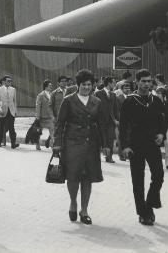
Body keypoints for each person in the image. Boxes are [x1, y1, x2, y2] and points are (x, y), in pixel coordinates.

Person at [53, 69, 106, 225]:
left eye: (89, 84)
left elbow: (102, 124)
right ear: (77, 85)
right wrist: (57, 144)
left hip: (91, 144)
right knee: (73, 176)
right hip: (72, 143)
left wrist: (105, 145)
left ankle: (84, 210)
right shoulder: (68, 100)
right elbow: (60, 123)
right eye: (84, 84)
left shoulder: (97, 102)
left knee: (88, 177)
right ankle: (73, 203)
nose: (87, 87)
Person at [119, 69, 167, 226]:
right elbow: (123, 126)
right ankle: (143, 213)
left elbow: (163, 120)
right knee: (138, 181)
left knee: (159, 176)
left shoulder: (156, 100)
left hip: (153, 144)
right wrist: (124, 146)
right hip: (135, 145)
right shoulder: (130, 101)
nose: (147, 84)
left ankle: (149, 205)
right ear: (137, 82)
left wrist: (161, 134)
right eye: (143, 81)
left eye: (149, 81)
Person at [94, 76, 119, 163]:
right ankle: (97, 156)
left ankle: (109, 157)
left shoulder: (113, 94)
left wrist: (116, 119)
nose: (115, 84)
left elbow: (115, 109)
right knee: (101, 139)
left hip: (111, 121)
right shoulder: (98, 93)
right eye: (114, 82)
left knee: (110, 139)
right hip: (100, 121)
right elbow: (95, 107)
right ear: (109, 83)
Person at [0, 75, 19, 149]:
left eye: (10, 81)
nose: (10, 82)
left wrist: (15, 111)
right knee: (0, 127)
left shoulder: (13, 89)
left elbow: (14, 101)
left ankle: (13, 143)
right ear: (4, 81)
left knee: (12, 128)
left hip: (11, 111)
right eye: (8, 81)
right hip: (1, 111)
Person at [156, 86, 168, 170]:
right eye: (157, 93)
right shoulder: (153, 104)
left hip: (166, 127)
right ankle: (156, 162)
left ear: (163, 95)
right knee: (155, 145)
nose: (158, 95)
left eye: (159, 93)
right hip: (156, 128)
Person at [34, 79, 55, 150]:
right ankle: (37, 144)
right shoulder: (41, 95)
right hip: (42, 117)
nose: (51, 87)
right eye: (50, 86)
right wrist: (37, 116)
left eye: (51, 86)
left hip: (49, 117)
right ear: (45, 86)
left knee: (52, 132)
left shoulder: (52, 94)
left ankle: (54, 147)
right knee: (39, 132)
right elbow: (38, 106)